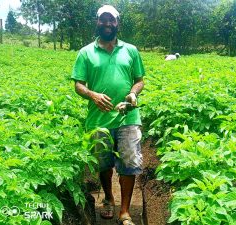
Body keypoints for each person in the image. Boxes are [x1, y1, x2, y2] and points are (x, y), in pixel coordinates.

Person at [71, 4, 145, 225]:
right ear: (97, 22)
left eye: (111, 20)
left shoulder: (130, 50)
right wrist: (92, 95)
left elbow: (139, 80)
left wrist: (133, 94)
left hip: (128, 117)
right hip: (98, 119)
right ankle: (108, 199)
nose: (107, 24)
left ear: (117, 23)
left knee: (129, 162)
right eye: (103, 20)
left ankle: (124, 211)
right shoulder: (86, 53)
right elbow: (78, 85)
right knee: (103, 163)